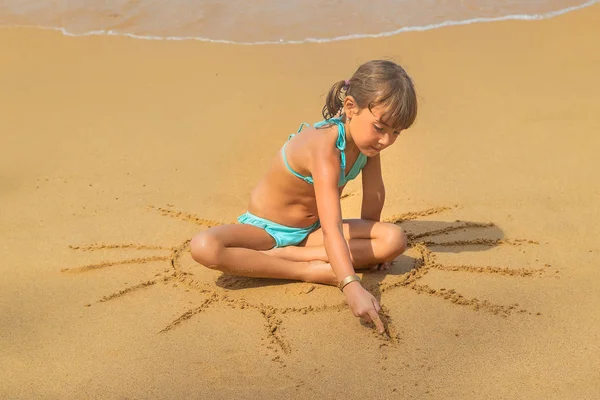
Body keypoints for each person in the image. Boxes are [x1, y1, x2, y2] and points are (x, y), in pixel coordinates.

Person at [190, 59, 418, 333]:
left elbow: (374, 192)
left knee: (393, 239)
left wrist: (372, 242)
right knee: (204, 246)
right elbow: (333, 226)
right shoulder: (324, 148)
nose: (386, 140)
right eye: (380, 128)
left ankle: (290, 255)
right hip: (268, 232)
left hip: (313, 232)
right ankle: (304, 269)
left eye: (396, 133)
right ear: (350, 107)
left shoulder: (368, 144)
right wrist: (350, 284)